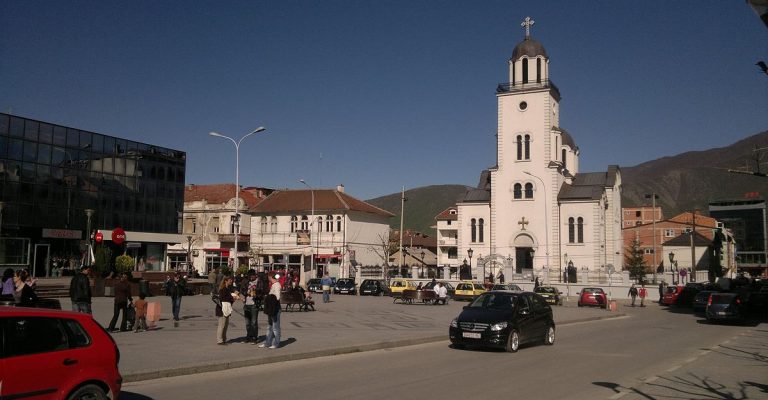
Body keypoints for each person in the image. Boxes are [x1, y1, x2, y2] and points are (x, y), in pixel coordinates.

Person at [260, 273, 282, 349]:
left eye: (269, 277)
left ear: (270, 277)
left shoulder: (277, 285)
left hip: (275, 308)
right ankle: (267, 343)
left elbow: (277, 297)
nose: (268, 279)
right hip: (271, 308)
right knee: (269, 326)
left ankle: (276, 343)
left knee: (275, 327)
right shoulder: (274, 285)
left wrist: (269, 298)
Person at [240, 270, 262, 344]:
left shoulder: (259, 282)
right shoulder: (247, 282)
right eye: (250, 276)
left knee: (254, 322)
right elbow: (242, 290)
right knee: (247, 323)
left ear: (255, 275)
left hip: (254, 304)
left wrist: (256, 294)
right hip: (247, 304)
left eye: (252, 276)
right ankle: (248, 336)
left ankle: (255, 337)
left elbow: (262, 292)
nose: (251, 277)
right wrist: (245, 292)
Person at [215, 276, 237, 345]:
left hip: (226, 308)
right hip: (222, 309)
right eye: (230, 280)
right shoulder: (223, 289)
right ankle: (220, 340)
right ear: (226, 281)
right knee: (222, 325)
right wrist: (232, 297)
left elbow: (228, 299)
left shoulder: (227, 288)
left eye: (231, 280)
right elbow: (222, 298)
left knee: (226, 325)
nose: (231, 281)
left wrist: (232, 298)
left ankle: (224, 339)